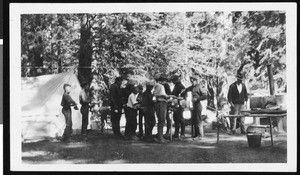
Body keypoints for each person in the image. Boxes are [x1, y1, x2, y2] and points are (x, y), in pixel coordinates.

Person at [183, 75, 207, 140]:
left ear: (196, 81)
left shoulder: (199, 87)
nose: (192, 82)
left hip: (198, 104)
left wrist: (197, 99)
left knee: (198, 120)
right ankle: (196, 134)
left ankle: (200, 135)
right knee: (193, 120)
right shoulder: (190, 88)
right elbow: (185, 92)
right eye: (191, 81)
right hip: (191, 105)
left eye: (193, 81)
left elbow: (205, 96)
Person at [153, 74, 169, 143]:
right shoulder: (159, 86)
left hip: (163, 102)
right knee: (161, 121)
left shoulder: (161, 86)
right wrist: (164, 95)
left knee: (162, 121)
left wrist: (167, 96)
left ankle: (161, 137)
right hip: (160, 103)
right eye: (164, 80)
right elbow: (155, 94)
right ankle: (160, 138)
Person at [170, 75, 186, 140]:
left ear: (176, 80)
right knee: (175, 119)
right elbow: (173, 93)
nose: (172, 82)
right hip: (175, 104)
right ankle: (176, 134)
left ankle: (182, 134)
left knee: (180, 119)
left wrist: (176, 97)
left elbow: (184, 96)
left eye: (173, 81)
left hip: (180, 104)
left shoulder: (181, 86)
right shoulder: (176, 86)